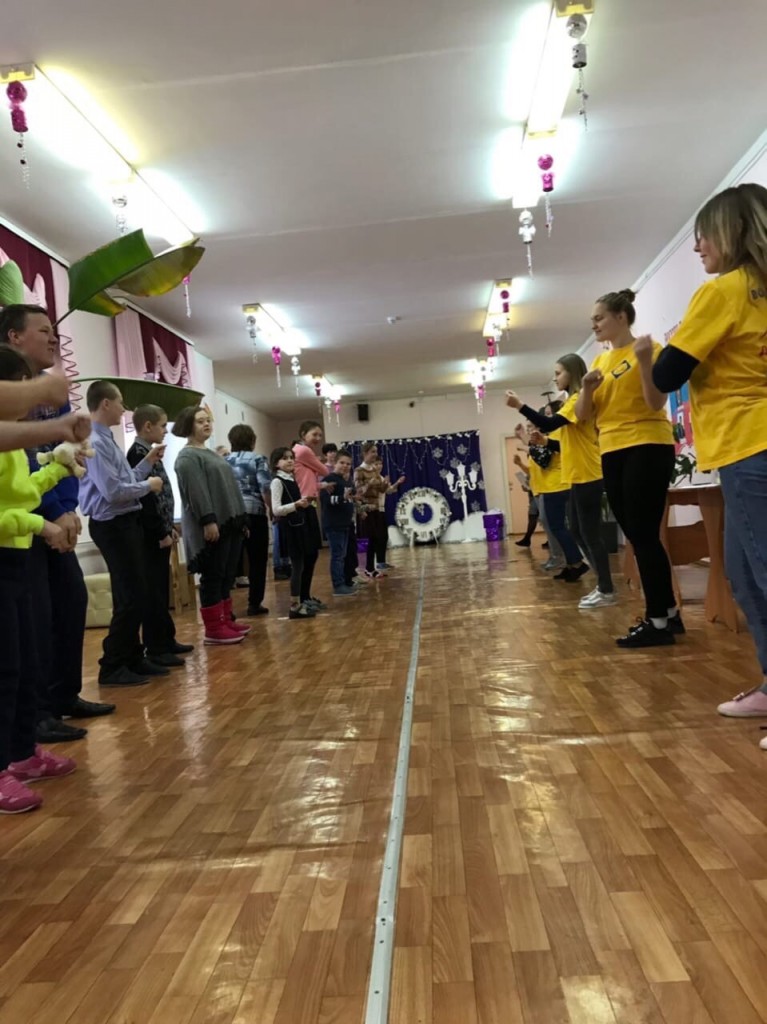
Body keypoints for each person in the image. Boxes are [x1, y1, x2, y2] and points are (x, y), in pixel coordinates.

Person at [650, 183, 767, 727]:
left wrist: (655, 356)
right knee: (742, 573)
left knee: (760, 572)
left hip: (750, 443)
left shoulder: (723, 292)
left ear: (732, 232)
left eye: (704, 235)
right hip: (750, 445)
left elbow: (666, 374)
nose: (698, 246)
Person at [0, 303, 115, 741]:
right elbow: (26, 457)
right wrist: (50, 515)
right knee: (31, 624)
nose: (54, 338)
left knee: (69, 603)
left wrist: (68, 510)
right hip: (21, 526)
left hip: (49, 514)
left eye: (54, 330)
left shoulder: (48, 393)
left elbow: (59, 458)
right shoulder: (20, 390)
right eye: (43, 330)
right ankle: (33, 718)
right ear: (14, 336)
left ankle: (62, 695)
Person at [575, 289, 680, 646]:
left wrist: (646, 362)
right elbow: (583, 416)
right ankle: (669, 613)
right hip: (612, 449)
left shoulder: (649, 350)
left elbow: (655, 402)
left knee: (643, 533)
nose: (594, 325)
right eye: (592, 320)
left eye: (599, 318)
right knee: (639, 535)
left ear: (621, 317)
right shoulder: (601, 362)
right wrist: (586, 389)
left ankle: (658, 622)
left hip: (647, 444)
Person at [0, 345, 78, 813]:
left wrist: (56, 467)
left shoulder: (12, 443)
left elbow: (21, 494)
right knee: (3, 670)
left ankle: (22, 753)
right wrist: (40, 525)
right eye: (22, 387)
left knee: (25, 663)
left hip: (14, 561)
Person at [507, 354, 616, 608]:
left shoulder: (578, 399)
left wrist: (520, 405)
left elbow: (549, 422)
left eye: (558, 373)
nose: (555, 378)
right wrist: (545, 441)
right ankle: (602, 585)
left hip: (588, 472)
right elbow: (564, 443)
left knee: (590, 534)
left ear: (572, 373)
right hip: (577, 474)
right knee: (577, 530)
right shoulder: (572, 401)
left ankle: (606, 589)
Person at [79, 381, 168, 686]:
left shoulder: (107, 438)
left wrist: (147, 464)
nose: (124, 409)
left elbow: (125, 479)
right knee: (131, 597)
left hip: (124, 523)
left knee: (135, 594)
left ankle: (133, 658)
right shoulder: (96, 441)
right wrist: (148, 485)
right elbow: (113, 492)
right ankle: (112, 665)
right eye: (120, 402)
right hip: (112, 525)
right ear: (105, 403)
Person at [173, 406, 249, 645]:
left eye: (208, 420)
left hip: (229, 522)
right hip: (212, 524)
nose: (206, 424)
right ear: (188, 425)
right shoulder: (187, 457)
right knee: (213, 574)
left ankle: (226, 619)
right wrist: (208, 520)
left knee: (226, 573)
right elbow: (196, 492)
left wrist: (240, 519)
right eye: (200, 421)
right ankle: (214, 629)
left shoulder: (210, 453)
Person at [127, 405, 193, 667]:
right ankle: (156, 647)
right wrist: (159, 531)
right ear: (147, 426)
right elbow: (146, 498)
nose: (166, 430)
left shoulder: (149, 451)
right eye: (163, 425)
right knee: (153, 591)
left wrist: (169, 525)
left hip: (161, 529)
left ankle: (166, 639)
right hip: (150, 535)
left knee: (161, 588)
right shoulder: (137, 454)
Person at [226, 425, 272, 616]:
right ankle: (254, 603)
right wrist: (271, 509)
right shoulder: (258, 459)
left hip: (231, 514)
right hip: (254, 513)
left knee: (231, 561)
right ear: (252, 441)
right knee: (257, 560)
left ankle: (226, 608)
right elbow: (265, 486)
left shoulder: (224, 461)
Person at [271, 446, 318, 619]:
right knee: (297, 566)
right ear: (276, 463)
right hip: (290, 528)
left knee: (302, 564)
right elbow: (276, 509)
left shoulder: (291, 479)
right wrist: (296, 505)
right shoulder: (277, 482)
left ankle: (300, 601)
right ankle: (294, 606)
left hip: (299, 526)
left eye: (291, 457)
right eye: (285, 458)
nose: (290, 460)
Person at [292, 421, 334, 610]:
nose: (318, 438)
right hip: (302, 507)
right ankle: (302, 597)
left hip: (308, 505)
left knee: (311, 554)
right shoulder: (303, 451)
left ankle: (305, 596)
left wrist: (321, 485)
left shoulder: (302, 453)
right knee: (307, 554)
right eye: (314, 434)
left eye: (320, 435)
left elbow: (306, 481)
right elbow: (325, 470)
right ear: (303, 434)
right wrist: (319, 465)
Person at [321, 449, 357, 597]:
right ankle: (338, 585)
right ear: (335, 463)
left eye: (348, 464)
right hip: (334, 523)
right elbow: (326, 500)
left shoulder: (345, 480)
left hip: (345, 523)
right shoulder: (329, 479)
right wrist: (343, 498)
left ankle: (345, 581)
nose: (345, 466)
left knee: (343, 555)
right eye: (342, 463)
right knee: (337, 556)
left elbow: (349, 498)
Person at [372, 456, 404, 572]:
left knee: (383, 537)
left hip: (382, 509)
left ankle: (381, 561)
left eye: (380, 464)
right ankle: (376, 563)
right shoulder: (371, 478)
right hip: (374, 510)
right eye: (376, 464)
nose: (379, 466)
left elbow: (388, 490)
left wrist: (397, 483)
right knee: (377, 537)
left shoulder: (381, 477)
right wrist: (384, 484)